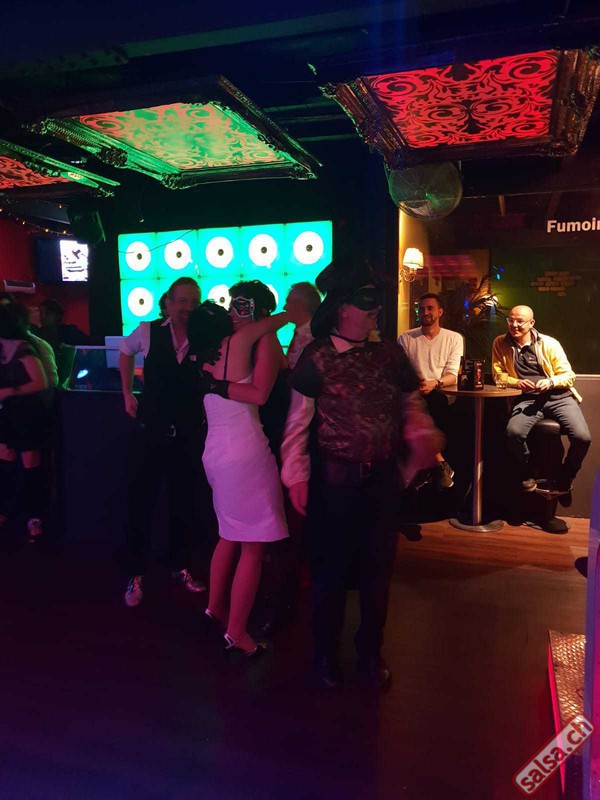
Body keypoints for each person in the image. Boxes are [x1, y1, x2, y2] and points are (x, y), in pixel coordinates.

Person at [280, 260, 442, 690]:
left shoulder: (389, 353)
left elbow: (411, 405)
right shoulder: (317, 357)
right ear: (342, 308)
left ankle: (370, 653)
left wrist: (419, 436)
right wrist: (296, 475)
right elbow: (297, 424)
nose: (376, 309)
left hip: (381, 483)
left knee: (377, 574)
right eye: (366, 300)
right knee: (330, 574)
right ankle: (324, 656)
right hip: (334, 485)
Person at [191, 281, 301, 657]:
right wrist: (285, 317)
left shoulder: (214, 344)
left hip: (215, 451)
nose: (234, 311)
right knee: (252, 546)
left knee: (228, 535)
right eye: (234, 304)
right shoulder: (251, 341)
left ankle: (214, 609)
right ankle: (237, 633)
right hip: (244, 451)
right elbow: (260, 394)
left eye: (240, 305)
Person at [119, 277, 205, 607]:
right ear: (168, 303)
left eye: (193, 301)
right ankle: (135, 574)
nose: (187, 308)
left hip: (187, 435)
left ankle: (179, 567)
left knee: (184, 503)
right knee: (140, 503)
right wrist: (127, 393)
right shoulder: (148, 331)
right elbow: (125, 352)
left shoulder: (205, 334)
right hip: (151, 432)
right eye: (181, 301)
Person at [492, 305, 591, 495]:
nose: (514, 325)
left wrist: (551, 382)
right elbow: (498, 376)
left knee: (582, 438)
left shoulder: (549, 343)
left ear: (531, 323)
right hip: (527, 399)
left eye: (520, 321)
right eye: (511, 320)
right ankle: (528, 470)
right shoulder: (500, 342)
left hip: (559, 397)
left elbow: (568, 376)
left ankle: (566, 474)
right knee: (513, 433)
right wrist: (517, 382)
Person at [398, 293, 463, 490]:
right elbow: (400, 371)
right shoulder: (406, 338)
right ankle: (440, 463)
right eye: (421, 308)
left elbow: (453, 375)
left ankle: (425, 469)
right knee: (413, 405)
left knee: (429, 403)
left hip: (441, 393)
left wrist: (435, 383)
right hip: (414, 392)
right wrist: (416, 385)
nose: (424, 312)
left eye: (430, 308)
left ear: (440, 312)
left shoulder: (453, 338)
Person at [0, 304, 49, 540]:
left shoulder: (24, 348)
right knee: (5, 465)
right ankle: (7, 512)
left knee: (31, 468)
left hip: (28, 414)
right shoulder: (3, 348)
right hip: (8, 414)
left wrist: (9, 391)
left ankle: (34, 517)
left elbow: (41, 382)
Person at [284, 282, 321, 369]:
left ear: (300, 305)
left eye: (288, 302)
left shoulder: (311, 338)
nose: (284, 307)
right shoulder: (306, 332)